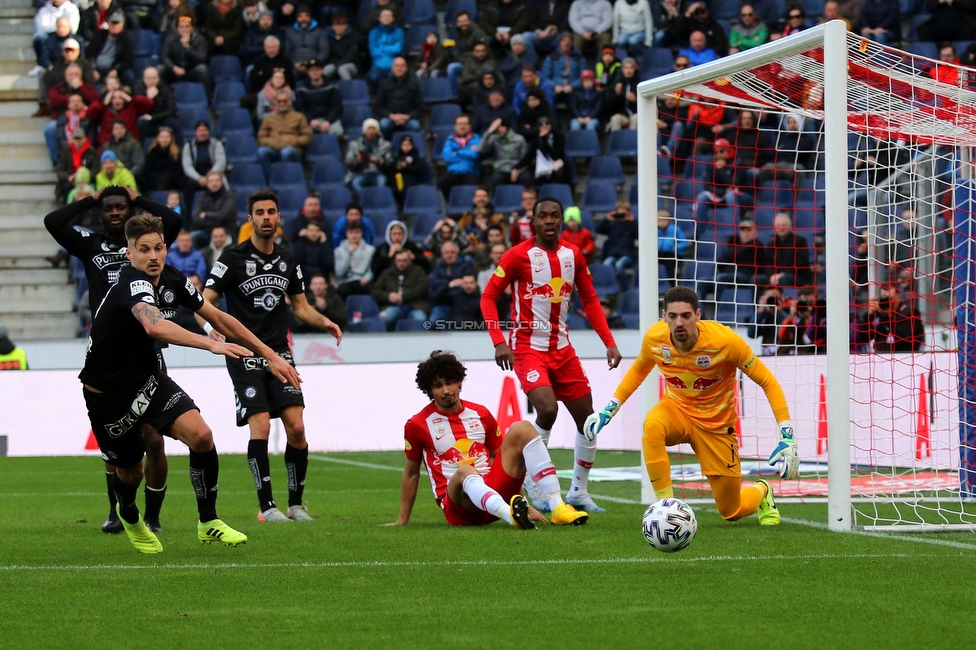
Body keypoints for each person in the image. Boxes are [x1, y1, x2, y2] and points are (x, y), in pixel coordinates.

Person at [81, 213, 301, 552]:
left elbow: (218, 316)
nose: (152, 256)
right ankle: (128, 513)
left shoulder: (172, 278)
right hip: (107, 395)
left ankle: (208, 521)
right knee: (130, 474)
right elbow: (154, 326)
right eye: (143, 250)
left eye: (158, 248)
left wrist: (269, 353)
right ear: (130, 255)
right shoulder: (130, 282)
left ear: (166, 249)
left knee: (201, 436)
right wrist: (211, 343)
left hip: (147, 379)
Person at [584, 286, 798, 527]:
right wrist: (609, 409)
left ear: (698, 314)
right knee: (652, 426)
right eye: (673, 316)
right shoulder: (655, 338)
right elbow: (637, 371)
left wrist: (786, 434)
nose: (679, 323)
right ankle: (666, 510)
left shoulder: (725, 342)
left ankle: (762, 490)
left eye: (686, 315)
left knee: (731, 510)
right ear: (663, 316)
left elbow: (767, 381)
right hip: (677, 412)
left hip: (717, 427)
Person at [44, 186, 182, 535]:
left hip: (147, 348)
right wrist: (90, 199)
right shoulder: (90, 244)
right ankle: (115, 510)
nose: (117, 212)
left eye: (122, 206)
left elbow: (174, 221)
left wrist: (139, 200)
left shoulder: (143, 245)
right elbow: (53, 221)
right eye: (110, 208)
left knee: (153, 438)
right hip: (107, 354)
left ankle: (153, 516)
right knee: (116, 443)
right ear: (100, 214)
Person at [202, 189, 342, 522]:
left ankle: (296, 504)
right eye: (260, 213)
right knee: (261, 425)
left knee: (296, 426)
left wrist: (325, 322)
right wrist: (209, 328)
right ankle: (267, 506)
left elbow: (301, 307)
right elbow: (203, 299)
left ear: (279, 217)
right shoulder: (232, 258)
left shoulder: (288, 259)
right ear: (250, 220)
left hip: (279, 353)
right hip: (243, 354)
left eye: (272, 212)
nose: (266, 218)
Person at [481, 195, 622, 513]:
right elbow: (488, 297)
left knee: (588, 420)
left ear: (561, 220)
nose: (549, 220)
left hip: (563, 349)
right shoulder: (518, 256)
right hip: (527, 349)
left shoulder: (574, 255)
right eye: (542, 215)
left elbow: (590, 299)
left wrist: (609, 341)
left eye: (554, 215)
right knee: (546, 409)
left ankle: (578, 492)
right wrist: (498, 341)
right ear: (533, 221)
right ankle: (533, 478)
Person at [388, 351, 588, 527]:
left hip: (493, 497)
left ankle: (557, 507)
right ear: (429, 390)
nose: (446, 390)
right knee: (465, 470)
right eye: (438, 386)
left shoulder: (480, 413)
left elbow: (507, 462)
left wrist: (524, 503)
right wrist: (402, 520)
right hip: (459, 508)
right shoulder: (418, 424)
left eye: (449, 382)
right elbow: (412, 473)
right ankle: (511, 516)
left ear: (459, 381)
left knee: (523, 428)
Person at [257, 91, 313, 182]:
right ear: (276, 103)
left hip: (292, 149)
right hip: (273, 148)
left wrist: (292, 141)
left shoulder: (299, 117)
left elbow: (307, 137)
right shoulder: (268, 119)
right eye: (279, 101)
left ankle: (284, 180)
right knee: (261, 152)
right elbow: (261, 137)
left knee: (286, 152)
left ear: (289, 102)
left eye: (285, 101)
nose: (282, 103)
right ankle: (270, 180)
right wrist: (274, 142)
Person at [853, 285, 924, 353]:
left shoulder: (910, 313)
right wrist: (869, 316)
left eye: (889, 299)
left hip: (905, 359)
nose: (887, 303)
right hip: (880, 359)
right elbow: (862, 339)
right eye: (884, 299)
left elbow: (905, 338)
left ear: (898, 297)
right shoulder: (879, 315)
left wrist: (889, 316)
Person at [371, 248, 430, 330]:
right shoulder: (387, 273)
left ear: (409, 261)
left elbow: (423, 289)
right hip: (394, 306)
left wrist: (403, 297)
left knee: (421, 319)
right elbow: (375, 291)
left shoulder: (418, 271)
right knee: (383, 318)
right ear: (395, 261)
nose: (402, 263)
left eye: (404, 260)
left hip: (415, 306)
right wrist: (388, 296)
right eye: (399, 260)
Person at [374, 57, 424, 140]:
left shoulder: (414, 84)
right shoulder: (384, 84)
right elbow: (377, 107)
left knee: (415, 125)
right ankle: (388, 147)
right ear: (392, 69)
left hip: (408, 119)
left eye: (402, 66)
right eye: (397, 66)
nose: (399, 68)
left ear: (406, 68)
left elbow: (421, 108)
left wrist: (408, 116)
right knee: (384, 124)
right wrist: (391, 116)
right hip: (390, 118)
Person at [513, 116, 571, 186]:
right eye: (541, 124)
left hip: (557, 166)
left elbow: (556, 155)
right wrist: (516, 168)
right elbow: (529, 156)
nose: (544, 126)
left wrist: (544, 140)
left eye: (547, 123)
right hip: (542, 168)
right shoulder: (536, 139)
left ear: (551, 125)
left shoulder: (558, 137)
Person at [182, 121, 228, 208]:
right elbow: (187, 166)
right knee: (188, 186)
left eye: (205, 130)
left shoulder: (216, 144)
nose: (202, 133)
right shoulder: (189, 146)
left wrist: (209, 178)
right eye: (200, 130)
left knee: (220, 184)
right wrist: (199, 178)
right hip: (196, 178)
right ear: (196, 132)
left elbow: (221, 163)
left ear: (209, 132)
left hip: (213, 176)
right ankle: (190, 215)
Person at [344, 118, 394, 198]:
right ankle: (365, 201)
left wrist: (378, 161)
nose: (371, 131)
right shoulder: (354, 144)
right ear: (365, 131)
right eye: (369, 129)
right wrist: (358, 161)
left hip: (378, 172)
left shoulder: (386, 145)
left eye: (373, 129)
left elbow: (390, 162)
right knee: (356, 183)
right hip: (361, 172)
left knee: (381, 182)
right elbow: (348, 161)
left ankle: (377, 202)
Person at [294, 59, 345, 137]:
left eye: (317, 69)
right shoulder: (301, 88)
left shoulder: (332, 86)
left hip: (330, 120)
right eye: (312, 70)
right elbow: (300, 108)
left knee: (337, 131)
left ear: (322, 70)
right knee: (304, 134)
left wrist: (328, 121)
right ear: (308, 72)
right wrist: (310, 120)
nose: (315, 72)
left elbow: (337, 107)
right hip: (310, 121)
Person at [428, 241, 475, 323]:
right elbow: (434, 284)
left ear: (457, 254)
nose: (449, 255)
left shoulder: (465, 266)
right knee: (433, 321)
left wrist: (443, 285)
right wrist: (449, 284)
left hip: (461, 305)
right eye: (447, 253)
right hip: (441, 304)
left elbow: (467, 284)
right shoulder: (437, 268)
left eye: (452, 252)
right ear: (442, 254)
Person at [160, 16, 211, 90]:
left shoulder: (200, 39)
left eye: (187, 27)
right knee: (160, 69)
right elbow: (164, 56)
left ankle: (206, 98)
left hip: (191, 70)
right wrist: (174, 67)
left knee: (203, 69)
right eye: (181, 27)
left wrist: (187, 47)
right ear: (177, 29)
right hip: (174, 70)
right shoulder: (170, 38)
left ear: (192, 28)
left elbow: (202, 59)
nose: (184, 29)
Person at [439, 114, 483, 199]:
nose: (462, 126)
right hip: (453, 172)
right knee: (443, 183)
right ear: (455, 126)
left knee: (473, 184)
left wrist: (457, 152)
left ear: (470, 126)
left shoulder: (477, 138)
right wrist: (467, 152)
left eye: (465, 124)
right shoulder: (449, 140)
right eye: (460, 124)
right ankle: (453, 204)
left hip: (471, 172)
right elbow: (447, 157)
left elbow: (475, 155)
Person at [86, 10, 134, 87]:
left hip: (113, 70)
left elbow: (127, 61)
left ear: (122, 24)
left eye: (117, 23)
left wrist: (116, 70)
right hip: (97, 69)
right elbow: (89, 55)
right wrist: (93, 69)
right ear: (108, 23)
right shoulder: (98, 36)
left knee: (129, 75)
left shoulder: (125, 41)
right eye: (112, 23)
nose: (114, 26)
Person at [134, 66, 180, 143]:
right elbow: (138, 111)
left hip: (162, 120)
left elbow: (171, 110)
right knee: (140, 123)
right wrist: (148, 99)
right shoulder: (139, 90)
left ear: (158, 78)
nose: (151, 81)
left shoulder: (166, 89)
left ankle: (180, 152)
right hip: (147, 123)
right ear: (144, 79)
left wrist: (152, 117)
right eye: (149, 78)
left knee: (173, 122)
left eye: (154, 78)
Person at [716, 219, 769, 287]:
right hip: (731, 273)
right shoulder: (735, 245)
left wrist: (731, 256)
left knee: (721, 278)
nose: (745, 233)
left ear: (755, 233)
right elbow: (720, 261)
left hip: (746, 276)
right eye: (743, 230)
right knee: (702, 282)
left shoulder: (758, 245)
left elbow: (736, 256)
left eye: (749, 230)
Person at [190, 172, 237, 247]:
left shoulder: (229, 196)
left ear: (221, 182)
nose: (214, 184)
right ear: (207, 183)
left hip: (225, 231)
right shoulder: (202, 197)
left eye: (216, 181)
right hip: (207, 231)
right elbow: (195, 218)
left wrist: (206, 215)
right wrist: (213, 222)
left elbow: (224, 215)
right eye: (211, 181)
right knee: (193, 236)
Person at [479, 118, 528, 190]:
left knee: (526, 178)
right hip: (501, 169)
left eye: (502, 127)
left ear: (507, 127)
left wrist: (518, 170)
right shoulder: (495, 139)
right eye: (497, 127)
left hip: (517, 168)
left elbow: (525, 158)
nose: (499, 129)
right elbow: (481, 149)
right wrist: (489, 131)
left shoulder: (519, 139)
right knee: (495, 179)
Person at [767, 212, 812, 287]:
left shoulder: (799, 241)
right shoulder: (771, 244)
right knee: (758, 279)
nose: (781, 228)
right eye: (778, 226)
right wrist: (771, 275)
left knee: (784, 278)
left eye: (784, 225)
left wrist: (783, 274)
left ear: (790, 226)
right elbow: (768, 263)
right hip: (776, 276)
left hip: (797, 276)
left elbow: (800, 263)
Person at [334, 221, 376, 298]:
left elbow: (372, 269)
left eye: (357, 232)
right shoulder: (338, 251)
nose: (354, 235)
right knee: (342, 290)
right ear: (347, 234)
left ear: (361, 233)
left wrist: (367, 278)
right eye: (351, 232)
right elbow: (339, 273)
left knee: (374, 290)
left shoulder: (370, 250)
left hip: (362, 281)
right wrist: (348, 253)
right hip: (346, 281)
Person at [56, 128, 99, 203]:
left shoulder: (91, 152)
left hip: (88, 182)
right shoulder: (66, 152)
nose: (77, 141)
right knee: (66, 189)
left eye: (80, 138)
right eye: (75, 138)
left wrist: (84, 177)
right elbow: (60, 170)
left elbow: (95, 169)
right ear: (72, 139)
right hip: (71, 182)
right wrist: (69, 177)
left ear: (85, 139)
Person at [283, 5, 329, 75]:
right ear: (297, 18)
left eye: (306, 16)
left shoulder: (320, 32)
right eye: (300, 16)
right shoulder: (290, 32)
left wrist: (313, 63)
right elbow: (287, 52)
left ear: (310, 18)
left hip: (315, 65)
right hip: (296, 66)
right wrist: (294, 64)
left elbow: (324, 50)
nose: (303, 19)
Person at [541, 33, 584, 104]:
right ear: (559, 43)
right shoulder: (551, 57)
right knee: (548, 97)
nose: (566, 43)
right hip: (556, 88)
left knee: (576, 99)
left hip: (572, 89)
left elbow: (582, 77)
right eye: (564, 40)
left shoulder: (579, 58)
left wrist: (572, 86)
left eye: (569, 40)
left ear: (572, 43)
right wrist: (555, 86)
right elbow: (545, 77)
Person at [368, 8, 405, 87]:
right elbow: (373, 51)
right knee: (374, 77)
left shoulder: (399, 31)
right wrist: (392, 47)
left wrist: (381, 47)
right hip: (378, 64)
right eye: (384, 16)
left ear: (393, 18)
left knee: (395, 78)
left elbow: (399, 49)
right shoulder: (374, 32)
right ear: (380, 19)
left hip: (393, 64)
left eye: (389, 16)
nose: (386, 18)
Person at [323, 12, 365, 81]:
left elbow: (352, 54)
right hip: (334, 64)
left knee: (342, 69)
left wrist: (339, 64)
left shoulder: (353, 36)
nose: (338, 28)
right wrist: (336, 64)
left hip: (351, 64)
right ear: (332, 26)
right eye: (336, 25)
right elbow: (329, 54)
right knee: (327, 70)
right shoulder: (329, 38)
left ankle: (348, 90)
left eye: (341, 25)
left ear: (346, 26)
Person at [143, 126, 185, 192]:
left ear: (172, 138)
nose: (165, 139)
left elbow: (179, 171)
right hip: (155, 180)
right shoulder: (151, 152)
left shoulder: (177, 153)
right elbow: (148, 170)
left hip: (173, 181)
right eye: (162, 137)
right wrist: (160, 178)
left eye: (167, 137)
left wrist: (168, 177)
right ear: (158, 138)